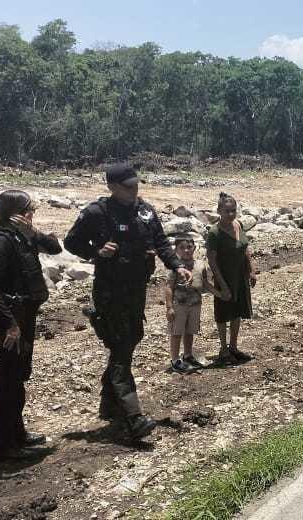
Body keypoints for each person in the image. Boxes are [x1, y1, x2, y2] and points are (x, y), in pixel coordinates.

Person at [65, 163, 191, 439]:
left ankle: (109, 404)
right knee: (121, 348)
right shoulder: (97, 213)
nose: (134, 190)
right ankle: (132, 417)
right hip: (110, 290)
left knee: (131, 339)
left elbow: (160, 242)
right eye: (128, 186)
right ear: (112, 187)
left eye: (136, 184)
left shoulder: (144, 210)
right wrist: (97, 251)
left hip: (136, 289)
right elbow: (71, 242)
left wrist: (176, 266)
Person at [0, 190, 61, 460]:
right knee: (6, 380)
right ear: (17, 213)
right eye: (29, 209)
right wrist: (11, 324)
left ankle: (17, 435)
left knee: (19, 375)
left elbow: (56, 248)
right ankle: (3, 446)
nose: (32, 213)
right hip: (11, 318)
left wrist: (33, 232)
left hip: (25, 314)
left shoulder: (22, 235)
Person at [204, 193, 257, 366]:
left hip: (240, 274)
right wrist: (221, 284)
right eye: (227, 211)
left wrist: (252, 270)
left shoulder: (238, 225)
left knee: (238, 311)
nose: (231, 214)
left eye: (233, 210)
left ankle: (233, 346)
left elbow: (245, 248)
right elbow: (211, 260)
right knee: (223, 313)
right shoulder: (214, 232)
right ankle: (223, 349)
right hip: (225, 276)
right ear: (219, 211)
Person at [163, 234, 213, 374]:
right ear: (176, 250)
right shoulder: (175, 267)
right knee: (176, 332)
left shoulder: (200, 264)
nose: (186, 250)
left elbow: (205, 283)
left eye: (189, 247)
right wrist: (169, 307)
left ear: (194, 248)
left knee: (190, 331)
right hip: (179, 305)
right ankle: (175, 360)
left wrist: (219, 293)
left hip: (195, 303)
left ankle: (188, 355)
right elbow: (168, 287)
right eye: (182, 248)